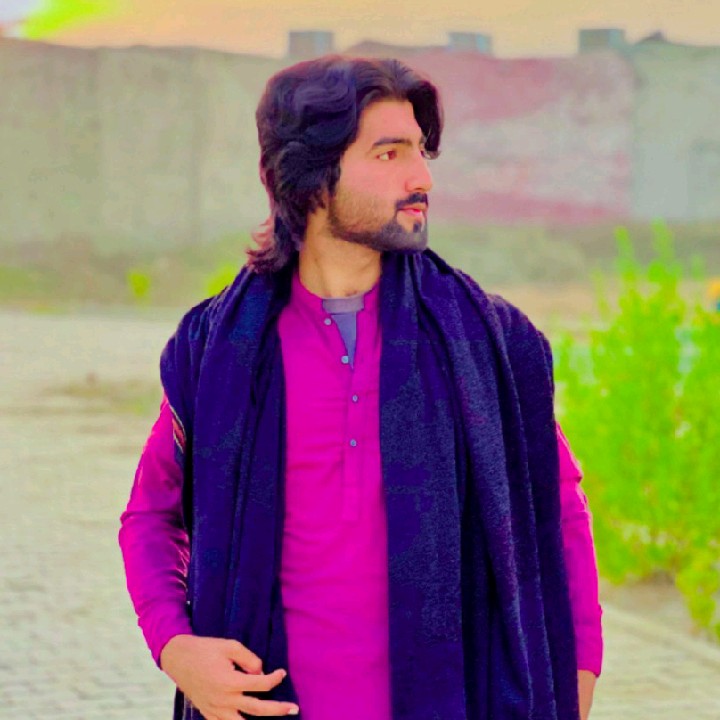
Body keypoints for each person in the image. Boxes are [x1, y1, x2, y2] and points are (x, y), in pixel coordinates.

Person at [119, 55, 602, 720]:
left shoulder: (486, 342)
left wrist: (578, 675)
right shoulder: (218, 352)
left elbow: (561, 511)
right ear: (310, 175)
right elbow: (151, 516)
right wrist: (176, 648)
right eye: (389, 153)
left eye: (420, 151)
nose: (421, 177)